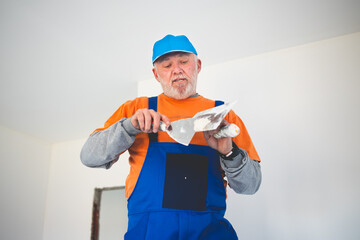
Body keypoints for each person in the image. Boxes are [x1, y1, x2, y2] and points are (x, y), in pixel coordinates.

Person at [81, 34, 261, 240]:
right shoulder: (135, 109)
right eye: (167, 65)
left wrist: (230, 152)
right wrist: (129, 127)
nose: (177, 70)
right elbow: (89, 156)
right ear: (156, 74)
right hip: (149, 232)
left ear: (198, 65)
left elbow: (251, 185)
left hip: (210, 232)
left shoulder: (223, 115)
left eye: (184, 62)